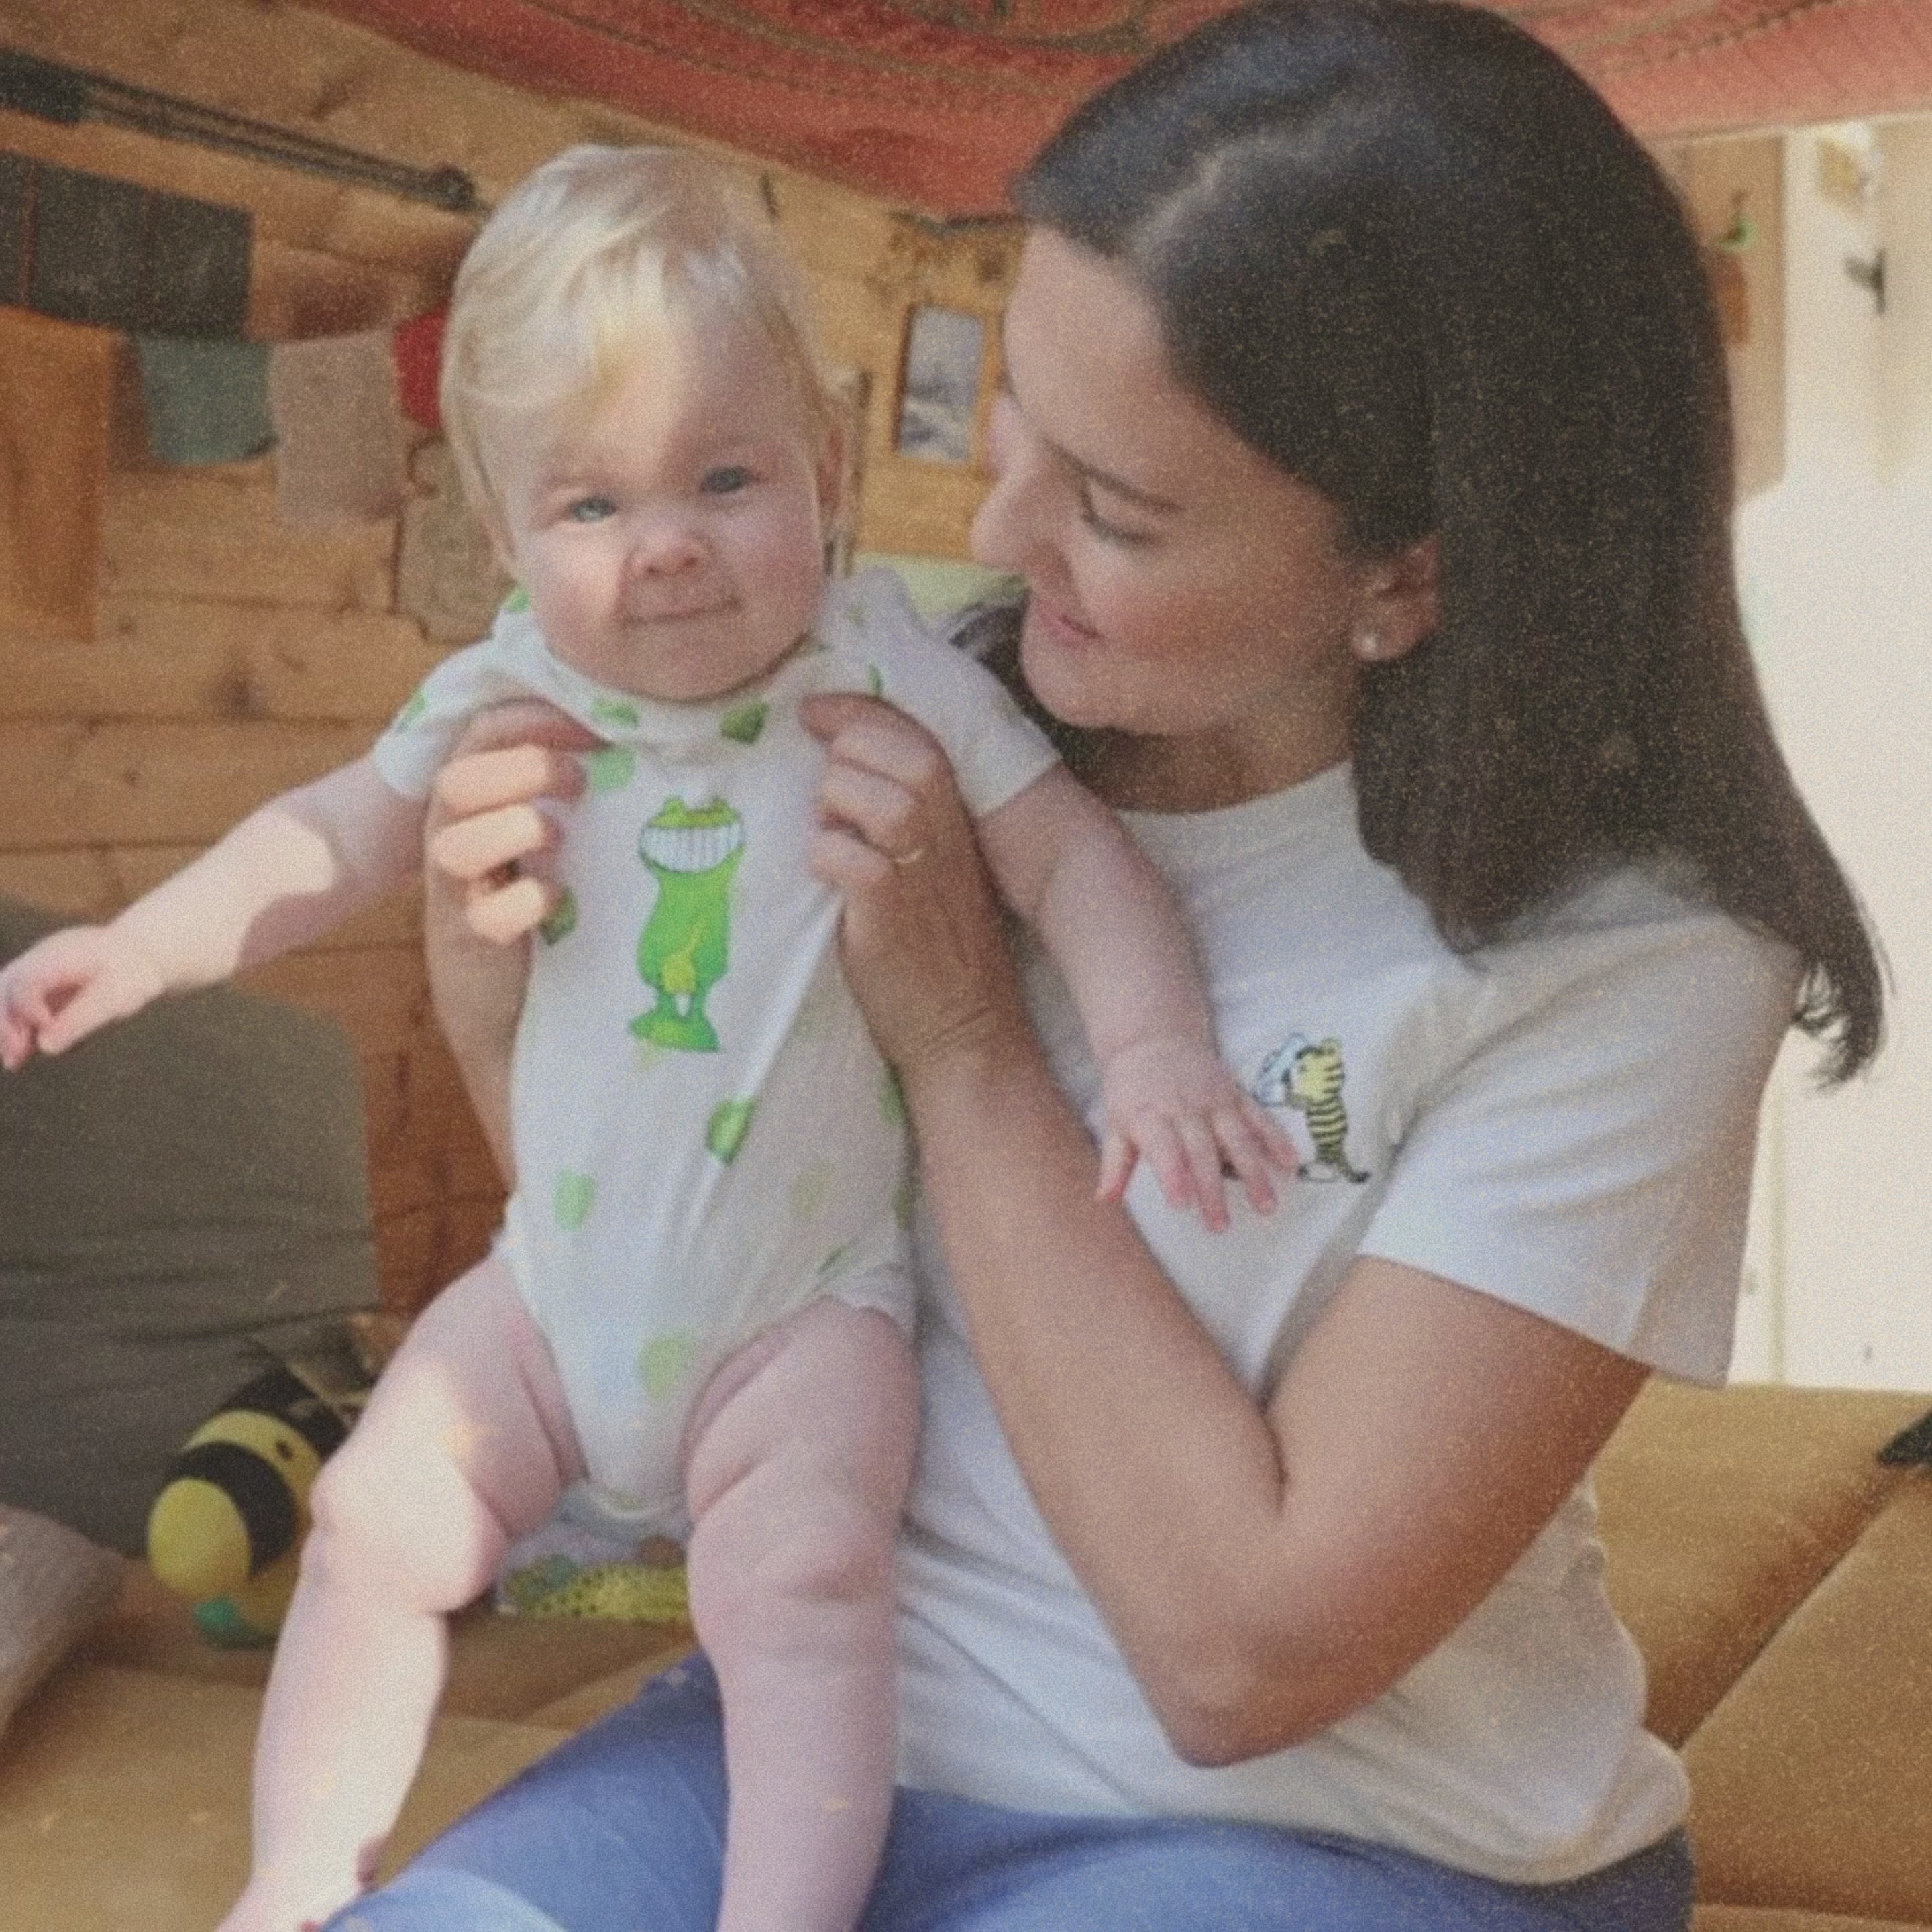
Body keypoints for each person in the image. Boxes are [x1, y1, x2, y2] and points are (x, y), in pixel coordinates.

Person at [282, 3, 1892, 1928]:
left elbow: (1246, 1656)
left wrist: (970, 1047)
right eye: (1013, 417)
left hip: (1345, 1840)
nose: (995, 531)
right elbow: (668, 1289)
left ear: (1409, 573)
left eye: (1116, 510)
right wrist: (496, 1000)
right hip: (808, 1742)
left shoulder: (1635, 960)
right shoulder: (890, 714)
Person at [0, 148, 1291, 1932]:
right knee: (372, 1525)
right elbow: (323, 839)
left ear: (828, 470)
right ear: (507, 536)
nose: (667, 541)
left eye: (726, 478)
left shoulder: (885, 669)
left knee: (804, 1590)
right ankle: (300, 1875)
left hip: (803, 1317)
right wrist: (135, 948)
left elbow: (1074, 860)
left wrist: (1155, 1054)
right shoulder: (509, 687)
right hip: (546, 1297)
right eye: (593, 505)